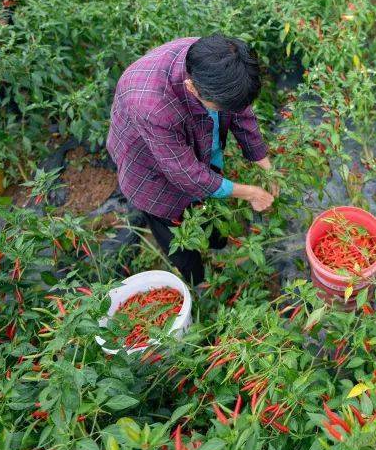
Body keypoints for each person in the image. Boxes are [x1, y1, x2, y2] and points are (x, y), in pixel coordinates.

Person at [107, 35, 278, 286]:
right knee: (177, 236)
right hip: (151, 172)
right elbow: (185, 174)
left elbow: (239, 108)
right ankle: (197, 282)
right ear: (191, 88)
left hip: (191, 153)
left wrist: (264, 164)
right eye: (219, 107)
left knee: (210, 211)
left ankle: (219, 247)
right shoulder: (153, 107)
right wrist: (249, 193)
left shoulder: (217, 62)